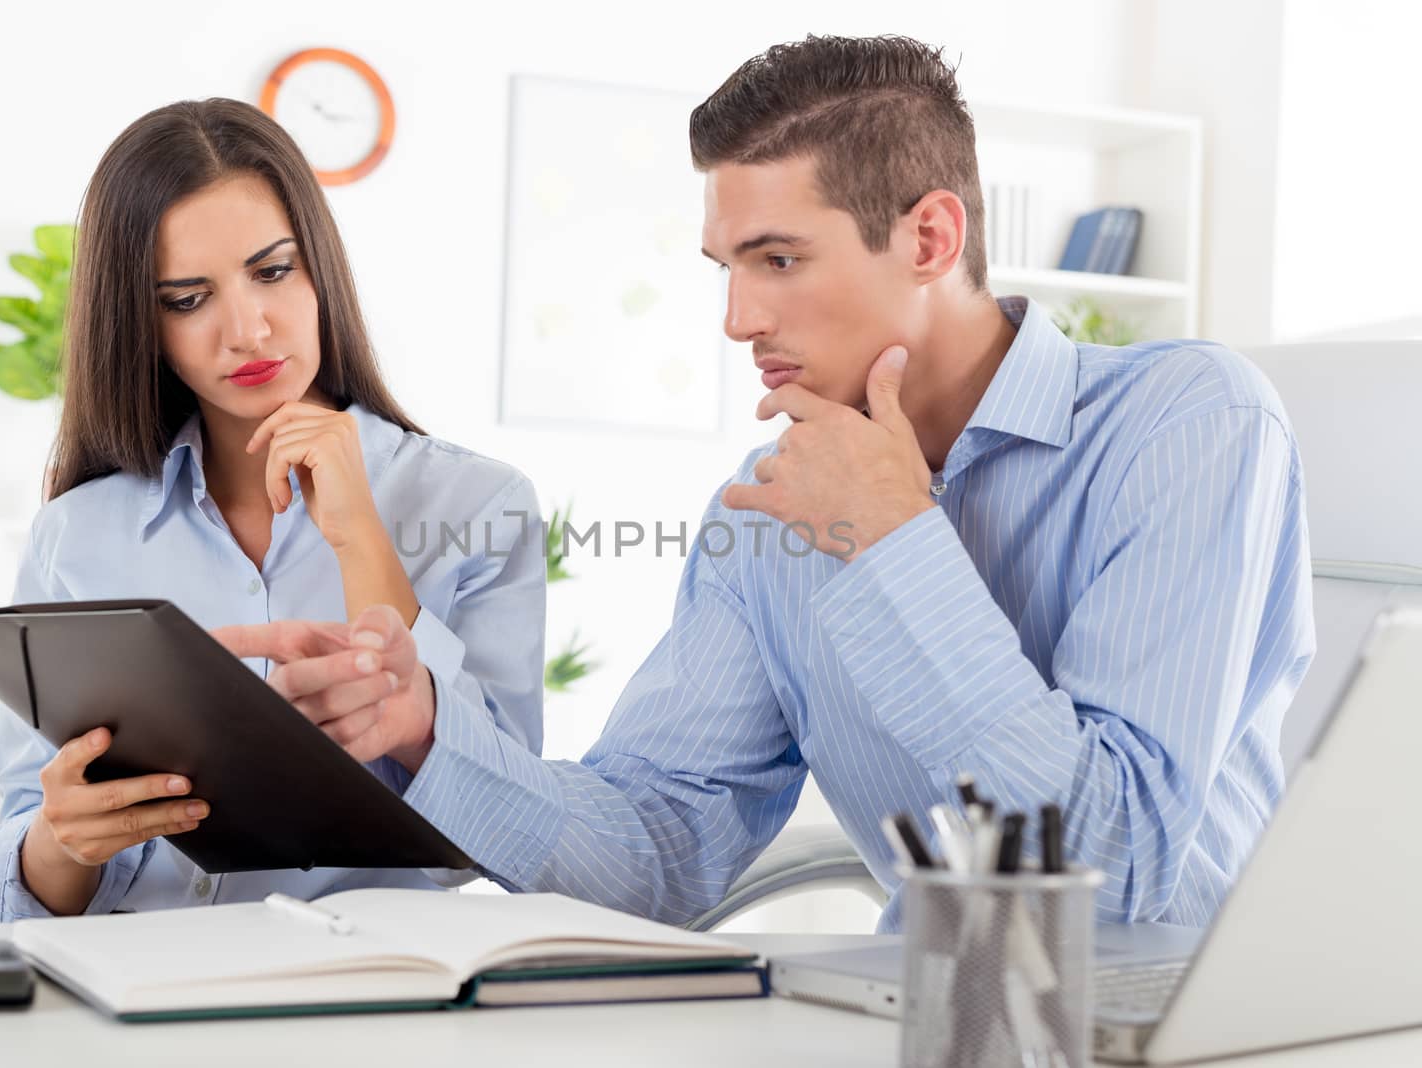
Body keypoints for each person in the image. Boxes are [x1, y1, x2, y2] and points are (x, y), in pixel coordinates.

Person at [225, 34, 1316, 930]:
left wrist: (893, 540)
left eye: (778, 260)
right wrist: (424, 726)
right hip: (926, 1021)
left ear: (930, 236)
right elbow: (659, 846)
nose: (738, 320)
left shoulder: (1187, 423)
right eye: (727, 268)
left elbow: (1114, 877)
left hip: (1187, 1030)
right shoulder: (766, 513)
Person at [0, 99, 544, 922]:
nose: (247, 330)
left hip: (363, 1000)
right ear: (142, 323)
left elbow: (508, 835)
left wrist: (357, 536)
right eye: (187, 299)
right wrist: (61, 841)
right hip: (130, 995)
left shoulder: (480, 507)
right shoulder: (77, 535)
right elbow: (11, 891)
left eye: (273, 271)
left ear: (320, 272)